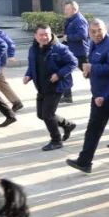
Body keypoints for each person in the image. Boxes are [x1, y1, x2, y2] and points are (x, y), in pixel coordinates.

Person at [67, 20, 109, 171]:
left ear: (105, 29)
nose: (97, 34)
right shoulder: (94, 43)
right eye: (93, 31)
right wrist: (88, 73)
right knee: (93, 130)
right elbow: (94, 65)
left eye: (99, 30)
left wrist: (92, 68)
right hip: (98, 95)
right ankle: (84, 162)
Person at [22, 24, 78, 152]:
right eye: (41, 35)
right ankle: (67, 125)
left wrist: (59, 74)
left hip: (56, 87)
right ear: (35, 36)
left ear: (51, 34)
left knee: (48, 115)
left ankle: (56, 141)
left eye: (46, 34)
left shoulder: (59, 48)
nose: (44, 37)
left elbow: (73, 62)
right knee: (41, 115)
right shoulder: (33, 49)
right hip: (41, 86)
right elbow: (32, 65)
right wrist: (28, 75)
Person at [61, 0, 89, 103]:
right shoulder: (71, 19)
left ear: (75, 9)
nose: (65, 11)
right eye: (65, 9)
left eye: (67, 9)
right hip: (72, 51)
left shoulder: (79, 20)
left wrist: (68, 37)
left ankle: (106, 88)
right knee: (65, 70)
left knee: (90, 73)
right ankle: (67, 95)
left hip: (80, 52)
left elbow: (83, 35)